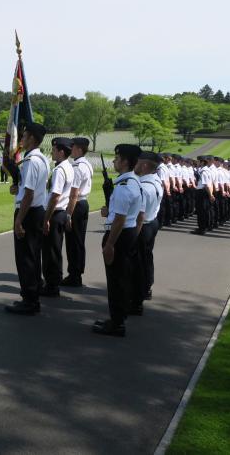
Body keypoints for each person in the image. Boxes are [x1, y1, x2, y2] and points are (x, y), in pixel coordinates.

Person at [93, 143, 143, 337]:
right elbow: (132, 215)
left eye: (117, 158)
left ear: (124, 162)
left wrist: (110, 244)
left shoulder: (123, 186)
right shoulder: (133, 182)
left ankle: (116, 323)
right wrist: (109, 212)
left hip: (119, 235)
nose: (114, 161)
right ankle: (117, 318)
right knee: (120, 277)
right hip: (127, 233)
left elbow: (120, 219)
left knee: (116, 280)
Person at [5, 122, 49, 315]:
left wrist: (18, 220)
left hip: (28, 213)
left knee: (26, 258)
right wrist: (17, 187)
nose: (21, 139)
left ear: (32, 138)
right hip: (35, 211)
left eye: (24, 136)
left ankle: (30, 300)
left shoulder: (31, 161)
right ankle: (32, 296)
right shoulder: (41, 159)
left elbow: (29, 194)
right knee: (32, 256)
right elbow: (27, 188)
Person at [40, 137, 74, 297]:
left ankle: (52, 285)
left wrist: (46, 218)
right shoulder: (68, 166)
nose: (52, 152)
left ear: (61, 151)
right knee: (55, 249)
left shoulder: (60, 170)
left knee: (50, 251)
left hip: (55, 213)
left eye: (54, 150)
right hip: (61, 213)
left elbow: (55, 196)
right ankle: (54, 282)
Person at [133, 151, 163, 311]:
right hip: (152, 222)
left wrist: (133, 236)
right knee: (146, 258)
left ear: (144, 165)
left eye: (138, 162)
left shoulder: (144, 186)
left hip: (143, 225)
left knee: (138, 263)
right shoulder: (156, 180)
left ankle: (137, 295)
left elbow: (139, 215)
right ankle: (145, 288)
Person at [62, 137, 93, 288]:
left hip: (76, 204)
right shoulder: (86, 164)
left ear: (79, 149)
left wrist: (68, 214)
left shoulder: (77, 167)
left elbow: (74, 193)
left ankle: (74, 275)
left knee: (73, 241)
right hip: (83, 203)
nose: (70, 150)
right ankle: (77, 273)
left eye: (72, 147)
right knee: (79, 241)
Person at [192, 156, 215, 235]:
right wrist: (211, 194)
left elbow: (206, 185)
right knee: (204, 210)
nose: (197, 163)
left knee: (201, 211)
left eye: (198, 161)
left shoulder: (204, 172)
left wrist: (210, 195)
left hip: (202, 192)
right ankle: (203, 227)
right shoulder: (207, 171)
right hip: (204, 192)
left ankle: (202, 228)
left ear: (202, 162)